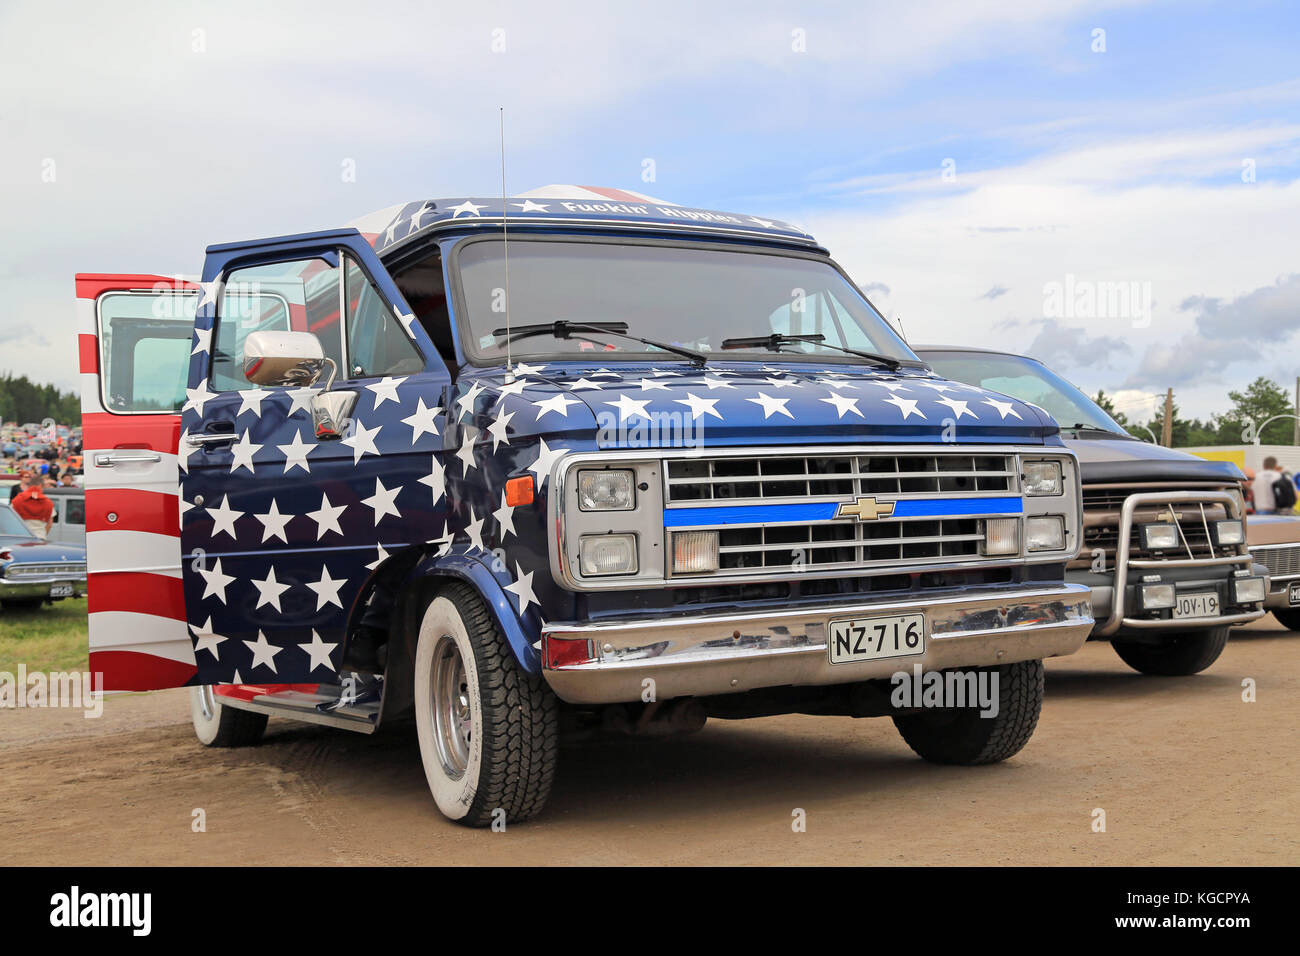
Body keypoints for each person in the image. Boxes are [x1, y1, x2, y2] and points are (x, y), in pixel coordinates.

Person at [10, 473, 54, 538]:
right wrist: (44, 534)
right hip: (40, 536)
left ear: (29, 485)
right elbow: (50, 524)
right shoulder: (48, 502)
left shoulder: (17, 500)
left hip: (21, 537)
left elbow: (11, 519)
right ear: (41, 485)